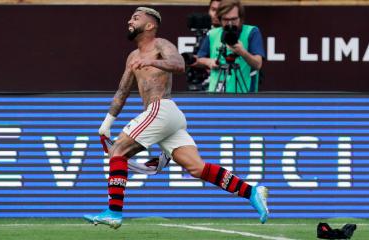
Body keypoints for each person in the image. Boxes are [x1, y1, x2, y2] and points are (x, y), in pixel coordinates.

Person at [83, 7, 268, 229]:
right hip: (166, 119)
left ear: (150, 25)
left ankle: (113, 211)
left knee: (118, 151)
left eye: (135, 18)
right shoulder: (133, 57)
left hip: (161, 109)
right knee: (197, 168)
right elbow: (122, 92)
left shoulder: (161, 44)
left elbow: (179, 64)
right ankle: (252, 191)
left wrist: (153, 62)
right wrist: (107, 124)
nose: (129, 21)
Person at [197, 0, 265, 93]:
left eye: (233, 19)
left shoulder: (252, 32)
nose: (230, 24)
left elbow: (258, 64)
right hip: (216, 94)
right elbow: (199, 58)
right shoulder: (212, 34)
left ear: (240, 18)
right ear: (220, 19)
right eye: (226, 19)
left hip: (244, 95)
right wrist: (209, 62)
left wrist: (242, 52)